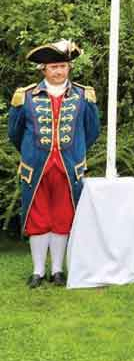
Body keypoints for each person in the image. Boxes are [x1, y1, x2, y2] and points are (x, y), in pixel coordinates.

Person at [8, 40, 100, 287]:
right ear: (43, 70)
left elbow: (92, 131)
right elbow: (15, 133)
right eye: (53, 67)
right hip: (36, 166)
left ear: (68, 67)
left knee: (63, 216)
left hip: (69, 166)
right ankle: (38, 271)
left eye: (62, 66)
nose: (59, 71)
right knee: (37, 218)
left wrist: (75, 150)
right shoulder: (25, 96)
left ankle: (58, 270)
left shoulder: (83, 95)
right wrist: (32, 152)